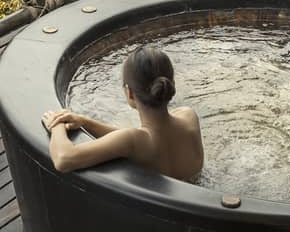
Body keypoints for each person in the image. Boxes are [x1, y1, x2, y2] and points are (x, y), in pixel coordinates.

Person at [42, 45, 204, 180]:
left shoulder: (134, 141)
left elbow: (64, 159)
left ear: (130, 93)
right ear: (171, 83)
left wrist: (56, 124)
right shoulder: (189, 116)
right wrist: (86, 122)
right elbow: (131, 139)